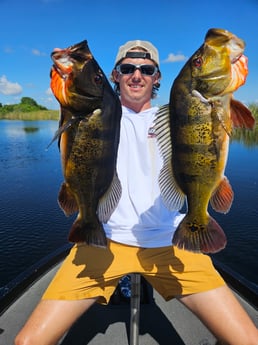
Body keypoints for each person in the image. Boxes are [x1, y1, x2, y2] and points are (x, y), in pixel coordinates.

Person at [15, 40, 258, 345]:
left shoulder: (178, 116)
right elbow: (76, 108)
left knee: (247, 340)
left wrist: (226, 85)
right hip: (104, 240)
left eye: (146, 69)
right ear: (115, 75)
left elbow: (217, 115)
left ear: (157, 78)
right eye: (127, 68)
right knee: (27, 342)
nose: (136, 75)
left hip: (170, 240)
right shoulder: (98, 113)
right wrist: (67, 74)